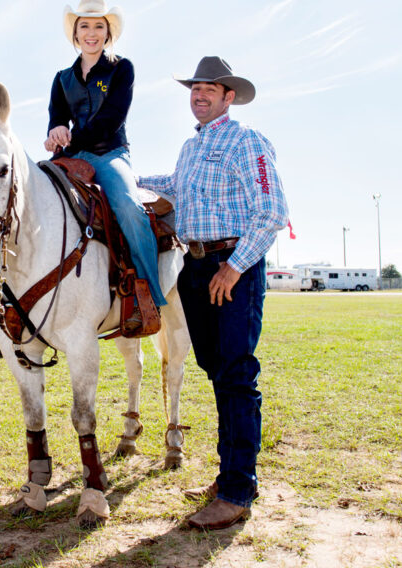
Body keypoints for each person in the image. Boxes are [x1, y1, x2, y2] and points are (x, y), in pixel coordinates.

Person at [138, 56, 289, 530]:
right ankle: (229, 477)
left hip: (231, 267)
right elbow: (175, 187)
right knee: (217, 370)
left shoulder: (248, 142)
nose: (199, 95)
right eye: (194, 88)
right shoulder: (190, 148)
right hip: (196, 266)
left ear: (229, 97)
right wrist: (126, 178)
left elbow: (272, 211)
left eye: (210, 89)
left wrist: (235, 267)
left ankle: (238, 489)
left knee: (237, 374)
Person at [44, 0, 166, 332]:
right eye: (85, 25)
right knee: (34, 196)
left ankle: (149, 295)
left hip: (110, 154)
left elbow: (112, 119)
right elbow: (57, 117)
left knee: (128, 207)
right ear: (76, 32)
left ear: (108, 31)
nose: (92, 32)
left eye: (99, 26)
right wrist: (55, 132)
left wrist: (70, 138)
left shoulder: (121, 68)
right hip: (71, 156)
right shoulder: (62, 78)